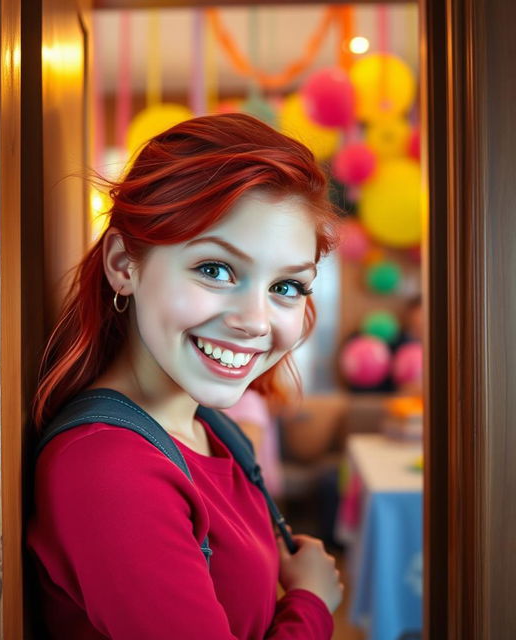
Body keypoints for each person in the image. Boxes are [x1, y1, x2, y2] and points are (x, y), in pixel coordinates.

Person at [26, 113, 344, 639]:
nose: (256, 321)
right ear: (125, 264)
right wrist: (311, 603)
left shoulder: (214, 428)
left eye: (287, 286)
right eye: (216, 270)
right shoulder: (107, 468)